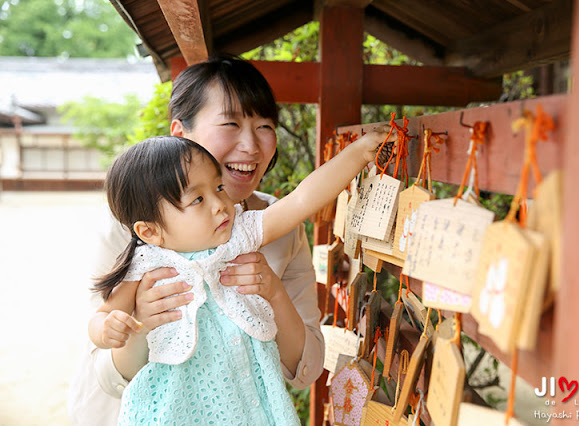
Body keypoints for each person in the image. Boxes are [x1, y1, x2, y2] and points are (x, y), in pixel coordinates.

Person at [68, 55, 321, 425]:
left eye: (264, 125)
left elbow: (306, 368)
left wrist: (274, 294)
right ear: (180, 133)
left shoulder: (278, 226)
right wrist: (141, 322)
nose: (251, 145)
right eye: (230, 123)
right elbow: (105, 371)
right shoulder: (130, 223)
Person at [88, 129, 389, 424]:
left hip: (249, 402)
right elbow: (103, 314)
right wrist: (107, 328)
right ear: (150, 231)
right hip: (176, 408)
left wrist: (358, 153)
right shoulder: (147, 264)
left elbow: (300, 202)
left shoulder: (240, 235)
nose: (221, 204)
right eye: (198, 200)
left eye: (218, 188)